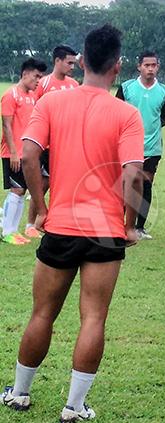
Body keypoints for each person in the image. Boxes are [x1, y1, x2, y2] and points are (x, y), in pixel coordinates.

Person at [1, 24, 144, 422]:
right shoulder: (127, 113)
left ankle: (20, 393)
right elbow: (133, 174)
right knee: (93, 317)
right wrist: (129, 224)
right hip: (105, 231)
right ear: (117, 66)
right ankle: (74, 406)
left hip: (60, 225)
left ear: (81, 59)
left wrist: (41, 207)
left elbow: (29, 156)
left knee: (42, 314)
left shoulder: (50, 103)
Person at [115, 51, 165, 240]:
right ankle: (119, 224)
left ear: (158, 67)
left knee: (145, 183)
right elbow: (115, 113)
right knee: (126, 183)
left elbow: (164, 118)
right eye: (147, 65)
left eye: (154, 65)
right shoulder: (126, 88)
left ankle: (139, 227)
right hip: (126, 144)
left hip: (152, 147)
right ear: (139, 66)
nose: (150, 69)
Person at [27, 45, 79, 240]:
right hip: (46, 145)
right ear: (57, 61)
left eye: (74, 63)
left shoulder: (74, 84)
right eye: (69, 62)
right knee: (42, 184)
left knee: (63, 184)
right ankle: (31, 223)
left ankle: (58, 221)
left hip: (66, 145)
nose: (72, 66)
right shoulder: (44, 84)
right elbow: (35, 113)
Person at [1, 58, 46, 245]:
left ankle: (11, 227)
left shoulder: (33, 96)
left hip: (25, 154)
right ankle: (8, 231)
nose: (38, 81)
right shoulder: (11, 95)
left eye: (41, 77)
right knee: (17, 190)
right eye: (36, 76)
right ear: (25, 74)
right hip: (12, 153)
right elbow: (7, 125)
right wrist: (12, 151)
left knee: (21, 190)